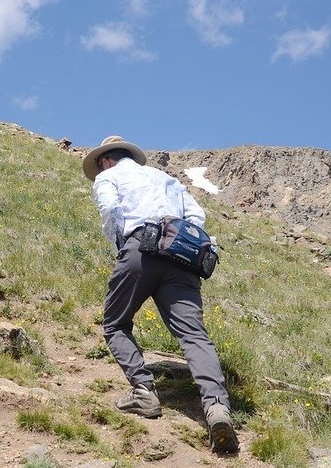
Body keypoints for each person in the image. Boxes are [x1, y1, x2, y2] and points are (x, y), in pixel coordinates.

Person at [82, 135, 239, 455]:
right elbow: (197, 218)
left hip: (141, 249)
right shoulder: (166, 178)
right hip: (182, 258)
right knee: (194, 335)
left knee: (115, 323)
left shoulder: (107, 177)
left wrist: (120, 246)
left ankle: (144, 392)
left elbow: (111, 208)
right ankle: (217, 407)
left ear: (105, 160)